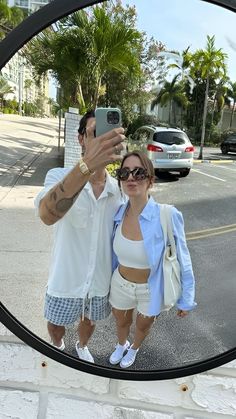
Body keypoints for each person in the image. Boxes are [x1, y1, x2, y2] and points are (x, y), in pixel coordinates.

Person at [34, 109, 126, 363]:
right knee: (55, 326)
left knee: (89, 322)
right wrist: (87, 166)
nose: (102, 139)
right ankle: (59, 344)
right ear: (81, 139)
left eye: (109, 134)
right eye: (95, 133)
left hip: (99, 282)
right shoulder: (58, 177)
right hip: (65, 280)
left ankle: (81, 345)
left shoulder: (120, 191)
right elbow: (47, 215)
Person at [109, 151, 196, 368]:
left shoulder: (167, 214)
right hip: (119, 283)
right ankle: (121, 344)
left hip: (151, 286)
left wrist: (187, 298)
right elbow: (110, 256)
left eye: (138, 173)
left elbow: (183, 258)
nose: (130, 178)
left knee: (143, 324)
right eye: (124, 173)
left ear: (150, 180)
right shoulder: (118, 214)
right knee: (121, 321)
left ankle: (134, 347)